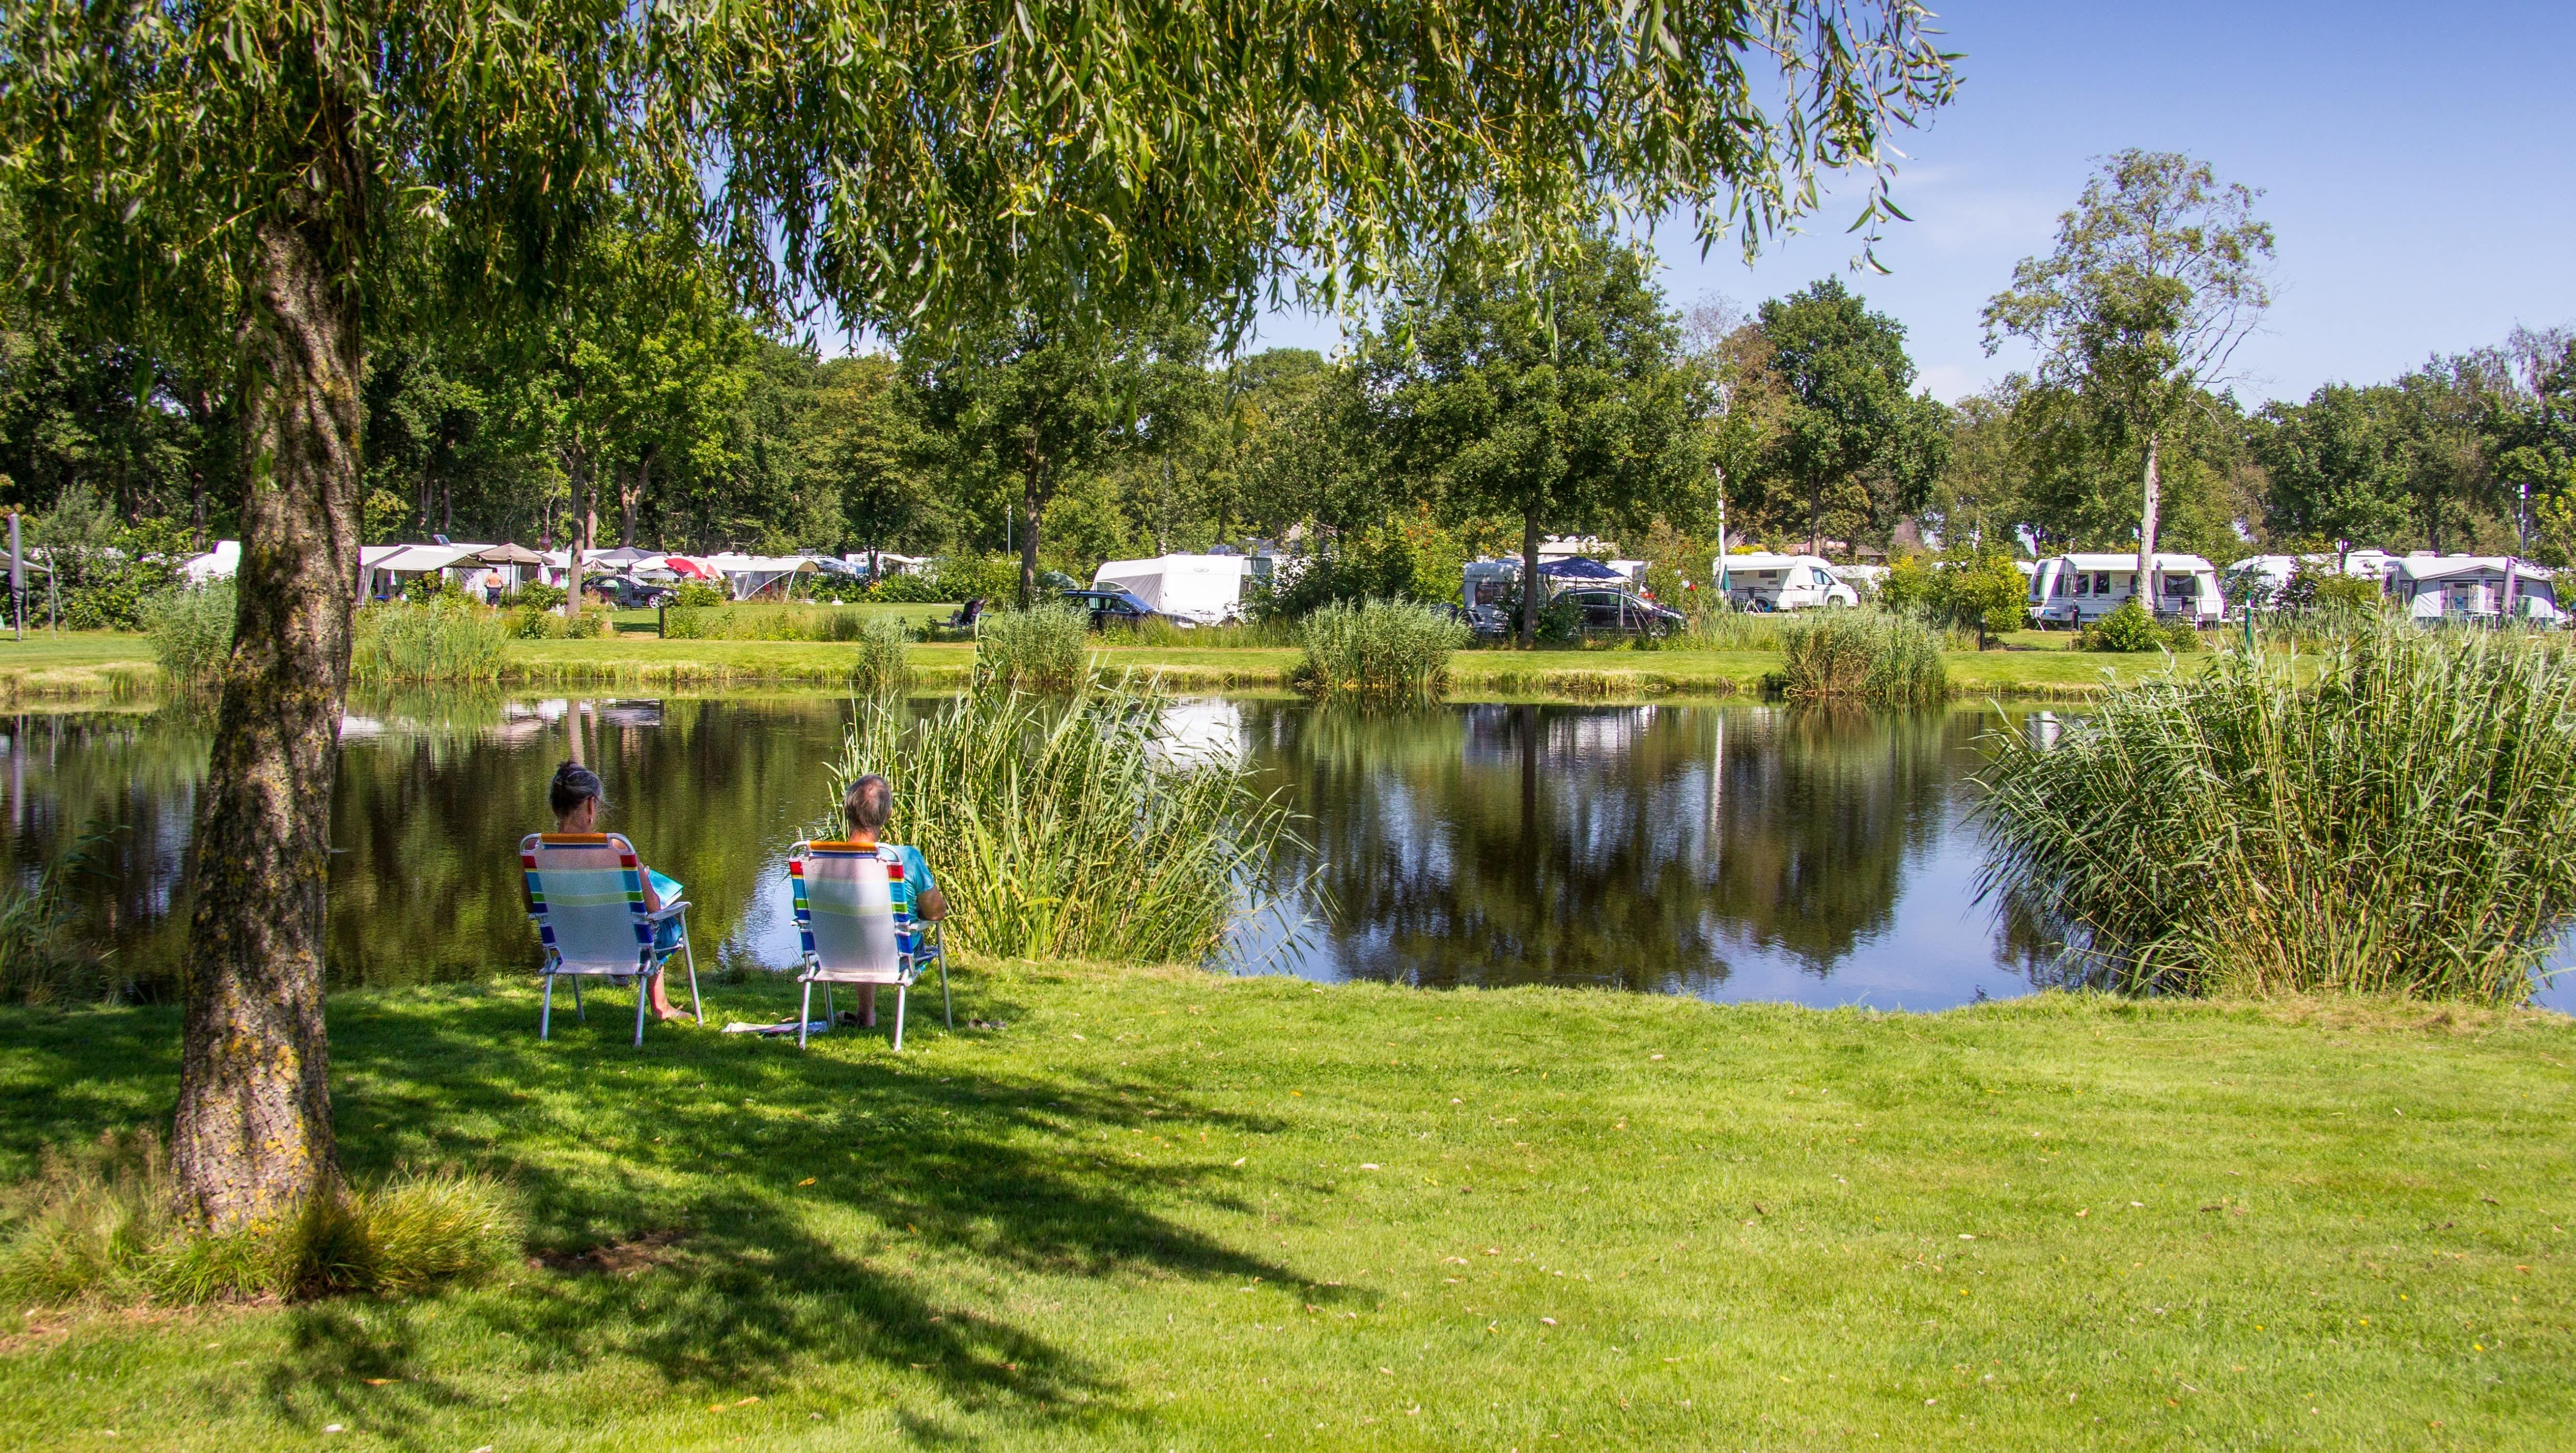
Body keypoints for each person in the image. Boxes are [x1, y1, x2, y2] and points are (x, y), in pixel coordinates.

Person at [538, 761, 690, 1021]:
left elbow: (533, 908)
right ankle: (661, 1006)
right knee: (666, 925)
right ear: (590, 805)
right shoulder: (617, 848)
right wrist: (642, 874)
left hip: (570, 944)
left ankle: (640, 986)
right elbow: (653, 907)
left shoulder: (535, 850)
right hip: (624, 944)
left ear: (555, 805)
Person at [838, 772, 947, 1027]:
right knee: (879, 935)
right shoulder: (905, 858)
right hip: (895, 954)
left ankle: (866, 1013)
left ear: (847, 812)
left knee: (861, 932)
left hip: (837, 952)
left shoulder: (820, 860)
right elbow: (936, 913)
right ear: (887, 817)